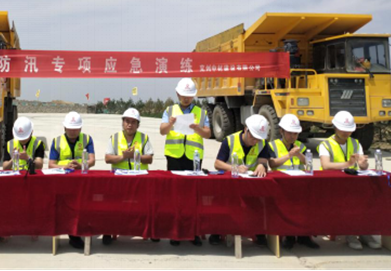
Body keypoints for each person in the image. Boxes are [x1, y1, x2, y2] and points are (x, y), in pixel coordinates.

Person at [318, 110, 381, 251]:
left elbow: (363, 166)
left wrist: (363, 164)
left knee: (370, 198)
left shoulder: (355, 143)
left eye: (349, 130)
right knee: (349, 201)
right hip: (332, 185)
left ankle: (364, 232)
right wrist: (348, 164)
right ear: (335, 127)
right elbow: (326, 165)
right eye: (343, 129)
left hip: (352, 183)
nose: (346, 133)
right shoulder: (325, 145)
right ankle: (351, 233)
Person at [160, 78, 211, 246]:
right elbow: (162, 131)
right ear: (177, 94)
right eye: (183, 95)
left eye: (189, 96)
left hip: (193, 158)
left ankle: (192, 233)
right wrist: (170, 124)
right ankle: (175, 232)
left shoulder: (201, 112)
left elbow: (208, 134)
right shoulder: (169, 110)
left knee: (192, 196)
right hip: (174, 157)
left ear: (193, 96)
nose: (186, 98)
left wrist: (197, 128)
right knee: (174, 196)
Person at [212, 114, 271, 246]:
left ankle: (259, 233)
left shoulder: (262, 143)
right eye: (253, 137)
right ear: (246, 129)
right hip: (230, 183)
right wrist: (234, 168)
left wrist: (262, 165)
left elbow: (263, 161)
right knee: (220, 203)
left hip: (251, 185)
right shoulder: (229, 140)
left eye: (258, 138)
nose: (255, 141)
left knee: (259, 204)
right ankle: (216, 232)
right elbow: (217, 164)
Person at [103, 108, 154, 245]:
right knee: (111, 204)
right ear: (122, 122)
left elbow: (149, 158)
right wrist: (123, 157)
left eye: (133, 122)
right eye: (127, 121)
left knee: (149, 202)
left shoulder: (143, 138)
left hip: (140, 179)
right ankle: (108, 230)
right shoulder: (114, 138)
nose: (130, 125)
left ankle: (150, 230)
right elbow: (107, 158)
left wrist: (135, 156)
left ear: (138, 125)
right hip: (119, 179)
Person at [268, 114, 319, 250]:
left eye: (295, 133)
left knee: (305, 209)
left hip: (299, 184)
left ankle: (304, 237)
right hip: (281, 185)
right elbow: (272, 163)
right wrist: (289, 155)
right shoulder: (273, 145)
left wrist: (299, 154)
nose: (292, 136)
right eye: (290, 133)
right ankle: (289, 236)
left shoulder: (300, 146)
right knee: (287, 210)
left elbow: (308, 163)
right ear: (281, 131)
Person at [49, 112, 96, 249]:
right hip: (64, 181)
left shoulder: (87, 139)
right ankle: (72, 235)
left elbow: (92, 160)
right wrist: (64, 166)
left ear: (80, 128)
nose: (73, 131)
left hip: (82, 180)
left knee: (82, 206)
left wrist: (81, 165)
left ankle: (78, 232)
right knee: (66, 208)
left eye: (75, 129)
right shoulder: (57, 141)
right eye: (70, 128)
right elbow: (51, 164)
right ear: (65, 127)